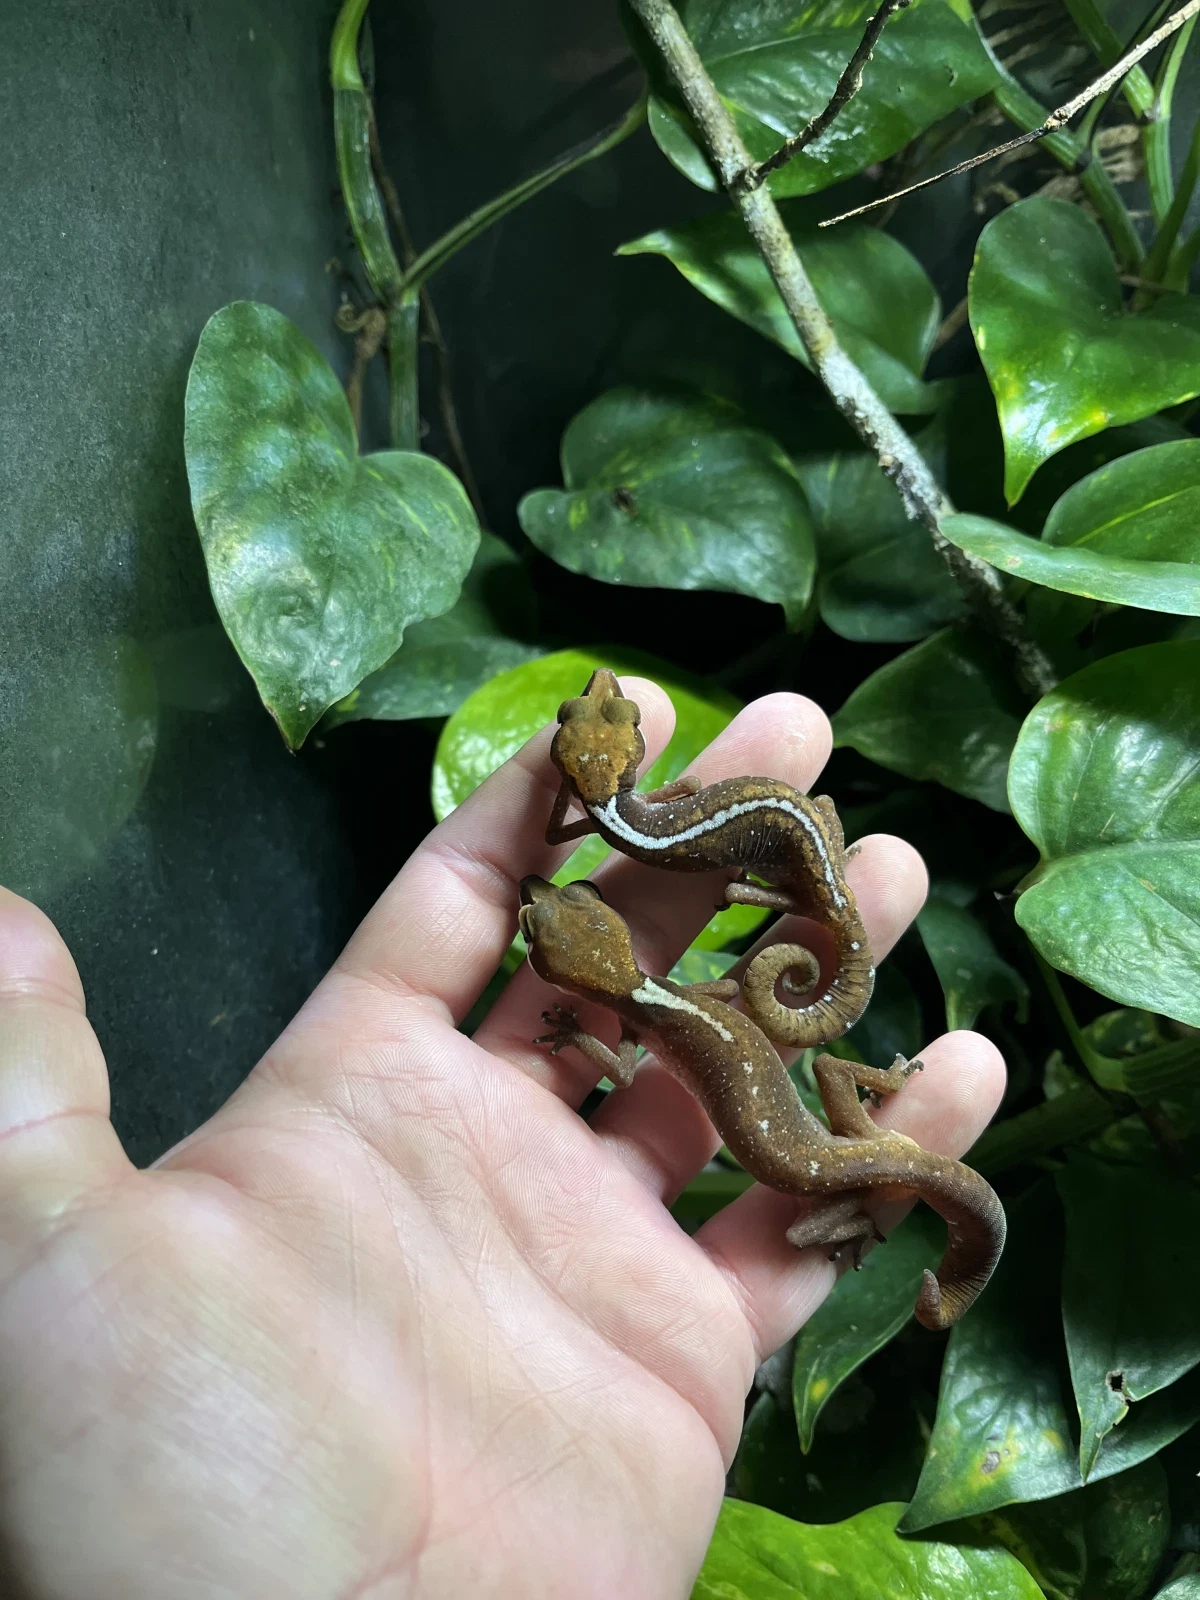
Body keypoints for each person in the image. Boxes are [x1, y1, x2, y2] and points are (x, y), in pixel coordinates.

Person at [0, 681, 1003, 1598]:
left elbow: (620, 1070)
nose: (539, 911)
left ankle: (872, 1218)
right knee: (840, 1172)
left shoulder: (643, 1016)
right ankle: (883, 1178)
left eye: (547, 928)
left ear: (574, 982)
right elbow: (631, 1059)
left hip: (823, 1167)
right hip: (833, 1148)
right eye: (552, 923)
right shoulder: (651, 1003)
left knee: (825, 1214)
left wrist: (584, 1040)